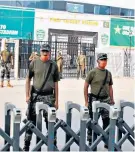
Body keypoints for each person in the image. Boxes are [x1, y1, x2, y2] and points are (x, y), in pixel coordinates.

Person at [23, 44, 59, 151]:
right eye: (43, 51)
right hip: (35, 96)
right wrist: (27, 95)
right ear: (40, 51)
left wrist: (57, 100)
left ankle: (53, 144)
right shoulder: (34, 63)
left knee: (51, 121)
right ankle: (27, 144)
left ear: (49, 52)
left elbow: (56, 84)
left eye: (46, 51)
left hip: (49, 96)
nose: (45, 53)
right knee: (31, 121)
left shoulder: (53, 65)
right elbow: (28, 79)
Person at [84, 53, 114, 148]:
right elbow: (85, 86)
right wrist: (86, 101)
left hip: (106, 100)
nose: (104, 61)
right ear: (98, 61)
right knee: (92, 121)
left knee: (107, 121)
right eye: (102, 59)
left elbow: (110, 87)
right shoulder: (92, 72)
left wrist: (112, 99)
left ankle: (106, 141)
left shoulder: (108, 73)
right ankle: (91, 141)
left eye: (105, 59)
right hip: (94, 100)